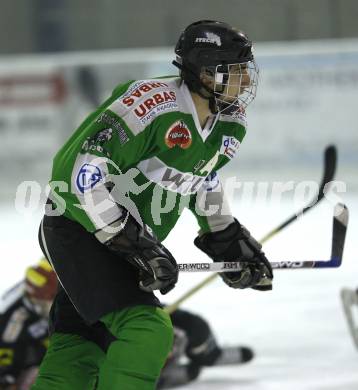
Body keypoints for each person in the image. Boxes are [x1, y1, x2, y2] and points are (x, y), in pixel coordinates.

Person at [33, 20, 273, 390]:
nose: (246, 79)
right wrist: (129, 240)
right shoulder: (150, 105)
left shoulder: (230, 122)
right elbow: (80, 173)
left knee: (83, 345)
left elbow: (201, 177)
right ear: (206, 73)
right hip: (77, 227)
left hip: (120, 241)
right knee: (146, 331)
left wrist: (226, 237)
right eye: (236, 69)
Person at [158, 308, 254, 389]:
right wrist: (187, 374)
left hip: (178, 328)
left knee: (206, 353)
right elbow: (183, 374)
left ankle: (213, 354)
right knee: (207, 356)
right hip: (182, 338)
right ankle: (213, 355)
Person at [0, 260, 57, 390]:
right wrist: (7, 380)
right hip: (27, 364)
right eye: (51, 298)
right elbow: (5, 351)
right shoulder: (14, 319)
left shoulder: (40, 278)